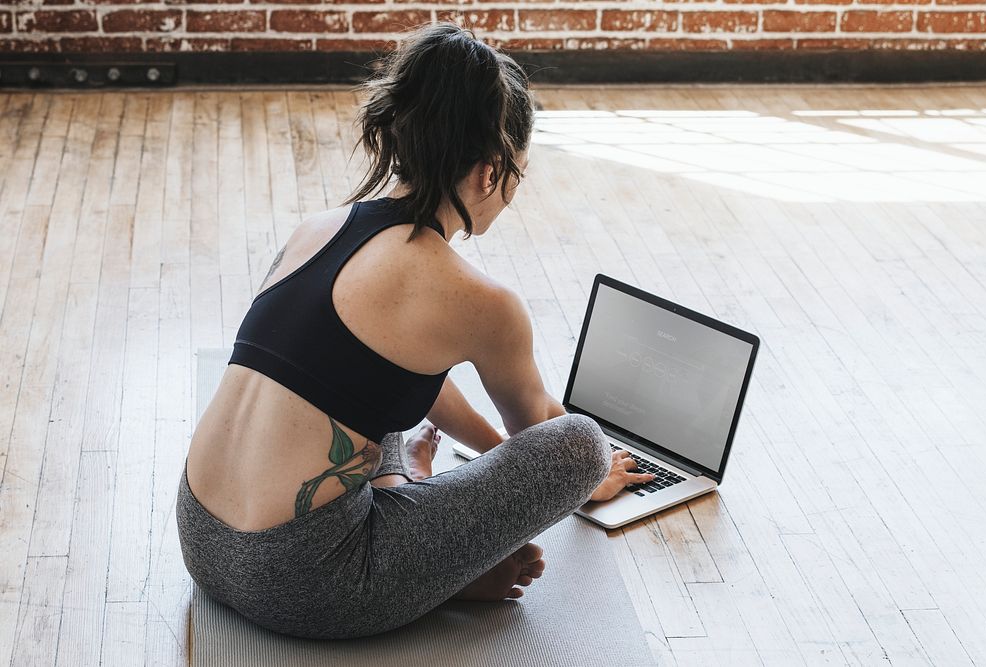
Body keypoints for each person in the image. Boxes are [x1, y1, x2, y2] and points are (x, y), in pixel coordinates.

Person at [175, 21, 656, 640]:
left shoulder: (318, 229)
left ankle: (420, 516)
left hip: (201, 538)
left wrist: (485, 470)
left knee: (380, 397)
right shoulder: (483, 301)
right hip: (306, 584)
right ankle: (437, 565)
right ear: (490, 172)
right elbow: (542, 432)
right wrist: (588, 477)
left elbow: (392, 373)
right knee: (582, 444)